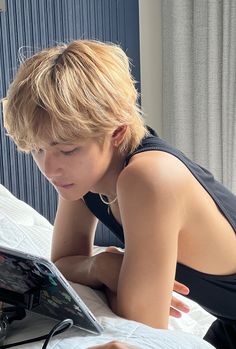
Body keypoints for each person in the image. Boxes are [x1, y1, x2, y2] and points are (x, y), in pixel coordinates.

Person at [3, 39, 236, 349]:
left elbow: (143, 325)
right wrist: (99, 265)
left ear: (117, 132)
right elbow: (62, 263)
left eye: (68, 150)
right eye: (37, 149)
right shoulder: (81, 175)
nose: (50, 168)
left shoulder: (149, 176)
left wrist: (116, 278)